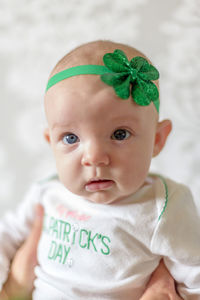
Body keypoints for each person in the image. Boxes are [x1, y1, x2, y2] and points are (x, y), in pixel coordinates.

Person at [0, 40, 199, 299]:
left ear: (157, 140)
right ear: (51, 143)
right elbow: (8, 236)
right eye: (71, 138)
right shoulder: (47, 193)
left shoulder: (161, 206)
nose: (94, 158)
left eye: (119, 134)